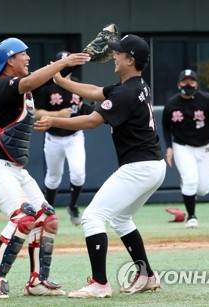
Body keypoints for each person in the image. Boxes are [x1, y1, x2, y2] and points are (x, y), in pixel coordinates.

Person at [35, 34, 166, 298]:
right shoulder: (135, 85)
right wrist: (62, 81)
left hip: (139, 167)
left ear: (130, 60)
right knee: (120, 218)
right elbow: (96, 92)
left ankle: (99, 283)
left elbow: (92, 121)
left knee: (93, 217)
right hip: (153, 165)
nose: (114, 56)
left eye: (119, 53)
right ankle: (147, 275)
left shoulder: (127, 92)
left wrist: (52, 120)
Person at [0, 37, 90, 299]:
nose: (28, 58)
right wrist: (63, 61)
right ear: (10, 60)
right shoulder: (3, 84)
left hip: (13, 168)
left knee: (47, 218)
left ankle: (38, 281)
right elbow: (30, 81)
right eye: (23, 55)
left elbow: (52, 76)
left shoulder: (23, 85)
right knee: (23, 217)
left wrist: (82, 57)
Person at [162, 69, 209, 228]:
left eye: (191, 81)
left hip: (205, 146)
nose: (188, 84)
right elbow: (166, 127)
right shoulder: (172, 103)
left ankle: (186, 183)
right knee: (191, 180)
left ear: (197, 83)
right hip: (182, 146)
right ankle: (192, 217)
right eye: (184, 81)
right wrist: (169, 148)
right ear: (178, 84)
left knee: (203, 189)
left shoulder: (207, 100)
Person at [34, 51, 93, 226]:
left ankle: (73, 205)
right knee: (53, 177)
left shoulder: (76, 84)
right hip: (53, 137)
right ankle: (49, 211)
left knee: (78, 175)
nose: (66, 65)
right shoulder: (45, 86)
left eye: (69, 62)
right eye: (63, 62)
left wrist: (85, 109)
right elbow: (36, 113)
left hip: (74, 136)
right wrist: (57, 114)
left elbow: (80, 105)